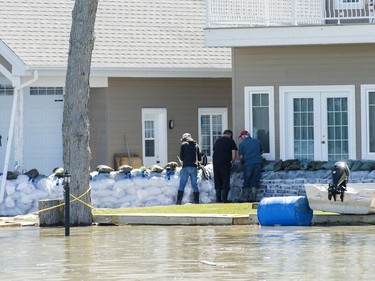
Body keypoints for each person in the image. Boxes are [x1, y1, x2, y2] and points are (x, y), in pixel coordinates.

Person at [212, 129, 237, 203]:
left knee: (217, 180)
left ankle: (218, 198)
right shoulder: (230, 141)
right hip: (225, 162)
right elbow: (233, 151)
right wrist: (233, 161)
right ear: (230, 135)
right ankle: (224, 199)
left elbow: (214, 150)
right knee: (225, 180)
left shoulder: (217, 141)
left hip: (216, 163)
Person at [238, 130, 263, 202]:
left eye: (241, 137)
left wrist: (241, 162)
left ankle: (245, 198)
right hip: (258, 163)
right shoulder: (257, 141)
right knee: (255, 180)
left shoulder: (242, 144)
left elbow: (241, 157)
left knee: (247, 179)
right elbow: (262, 152)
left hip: (248, 164)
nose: (241, 138)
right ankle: (253, 197)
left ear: (244, 136)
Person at [176, 133, 202, 205]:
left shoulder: (183, 145)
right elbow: (199, 158)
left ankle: (178, 201)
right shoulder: (196, 145)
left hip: (186, 166)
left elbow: (182, 157)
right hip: (194, 167)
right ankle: (196, 201)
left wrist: (183, 161)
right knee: (194, 184)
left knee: (182, 184)